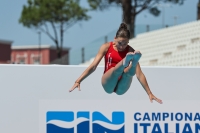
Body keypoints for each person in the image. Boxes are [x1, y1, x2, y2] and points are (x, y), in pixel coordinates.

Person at [69, 23, 162, 104]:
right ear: (115, 39)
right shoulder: (106, 47)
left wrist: (149, 93)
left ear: (128, 42)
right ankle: (124, 62)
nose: (122, 46)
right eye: (120, 43)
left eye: (125, 44)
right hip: (108, 82)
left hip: (122, 87)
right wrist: (78, 80)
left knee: (129, 73)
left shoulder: (131, 51)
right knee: (116, 71)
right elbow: (93, 66)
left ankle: (133, 63)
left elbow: (140, 74)